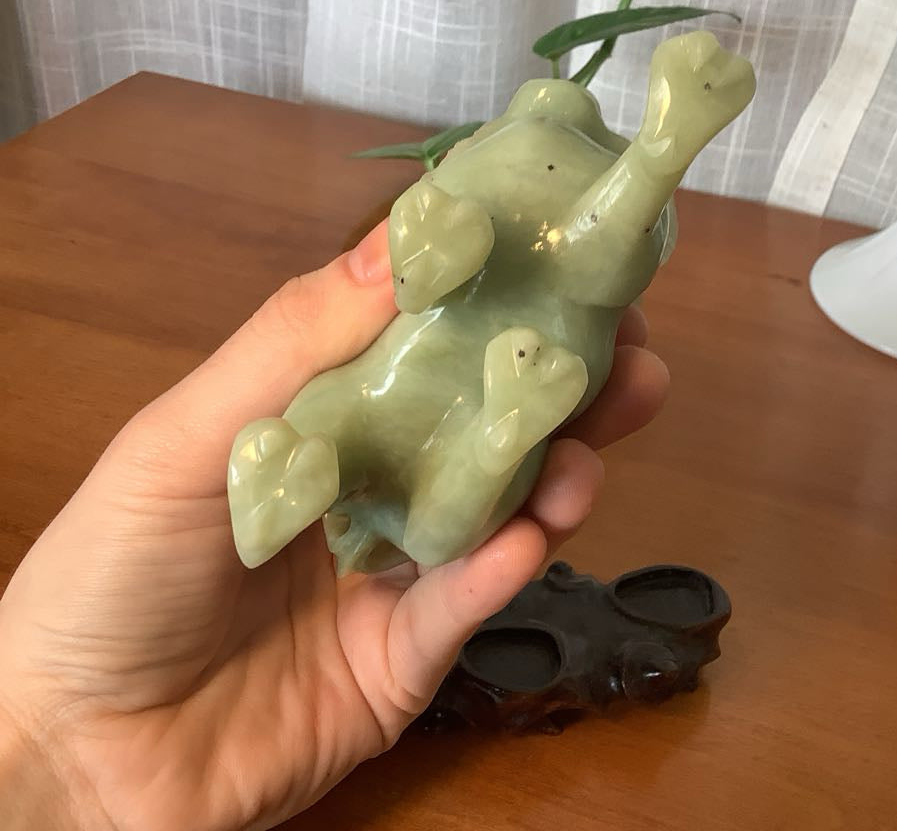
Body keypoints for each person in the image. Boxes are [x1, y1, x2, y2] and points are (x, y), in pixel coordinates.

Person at [0, 221, 669, 831]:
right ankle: (492, 435)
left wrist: (53, 752)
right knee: (432, 525)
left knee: (439, 529)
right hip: (390, 418)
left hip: (409, 422)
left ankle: (496, 433)